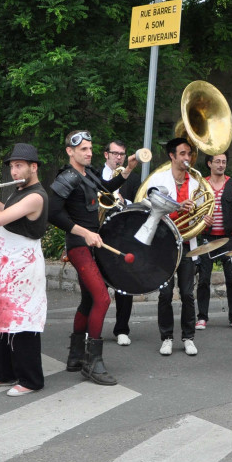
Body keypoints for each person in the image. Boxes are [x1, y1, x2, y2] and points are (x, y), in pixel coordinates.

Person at [49, 130, 139, 385]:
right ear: (70, 151)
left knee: (89, 301)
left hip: (92, 243)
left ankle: (76, 356)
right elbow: (52, 213)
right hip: (79, 245)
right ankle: (92, 362)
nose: (89, 153)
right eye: (83, 150)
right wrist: (84, 232)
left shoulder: (87, 174)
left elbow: (108, 189)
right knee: (102, 298)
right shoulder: (67, 177)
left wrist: (129, 168)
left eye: (90, 149)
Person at [0, 143, 49, 396]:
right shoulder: (19, 191)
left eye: (19, 166)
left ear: (33, 167)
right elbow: (7, 211)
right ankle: (2, 373)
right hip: (7, 265)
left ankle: (31, 380)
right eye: (12, 167)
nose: (14, 172)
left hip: (24, 267)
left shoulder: (36, 195)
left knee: (22, 320)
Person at [146, 137, 205, 356]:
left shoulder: (197, 183)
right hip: (165, 244)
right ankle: (167, 337)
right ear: (172, 156)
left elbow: (201, 213)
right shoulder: (159, 179)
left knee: (188, 294)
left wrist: (204, 220)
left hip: (188, 244)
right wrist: (180, 207)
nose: (187, 158)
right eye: (182, 154)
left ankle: (188, 337)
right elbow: (151, 208)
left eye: (189, 154)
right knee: (165, 294)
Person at [195, 152, 232, 331]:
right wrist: (203, 218)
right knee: (203, 279)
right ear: (209, 163)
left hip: (229, 238)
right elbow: (195, 212)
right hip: (207, 237)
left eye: (224, 162)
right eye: (217, 161)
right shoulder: (202, 184)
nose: (221, 165)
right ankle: (202, 317)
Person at [101, 140, 138, 347]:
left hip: (124, 237)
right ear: (106, 154)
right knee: (97, 286)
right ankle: (92, 328)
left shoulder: (132, 179)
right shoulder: (95, 175)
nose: (118, 157)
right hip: (100, 236)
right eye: (115, 153)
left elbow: (141, 201)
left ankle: (122, 329)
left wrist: (127, 203)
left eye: (122, 154)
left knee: (125, 285)